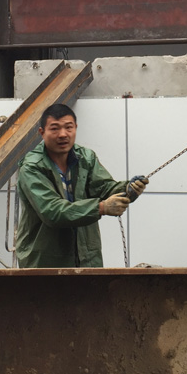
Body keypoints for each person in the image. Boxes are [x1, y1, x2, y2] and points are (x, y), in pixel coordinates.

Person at [15, 103, 148, 268]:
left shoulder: (86, 157)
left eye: (68, 127)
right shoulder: (32, 167)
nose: (63, 134)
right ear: (42, 132)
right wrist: (101, 208)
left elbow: (104, 188)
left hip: (87, 259)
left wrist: (128, 189)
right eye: (55, 128)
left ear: (76, 128)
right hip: (45, 262)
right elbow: (52, 211)